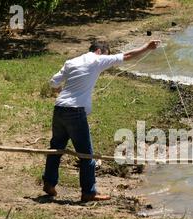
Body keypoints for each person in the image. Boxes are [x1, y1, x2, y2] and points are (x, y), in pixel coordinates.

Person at [43, 39, 161, 202]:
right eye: (106, 55)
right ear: (100, 52)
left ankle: (49, 183)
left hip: (59, 108)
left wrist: (62, 93)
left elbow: (53, 82)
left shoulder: (71, 61)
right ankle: (88, 192)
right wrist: (147, 47)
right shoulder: (98, 59)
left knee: (56, 148)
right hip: (75, 113)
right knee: (87, 155)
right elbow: (127, 56)